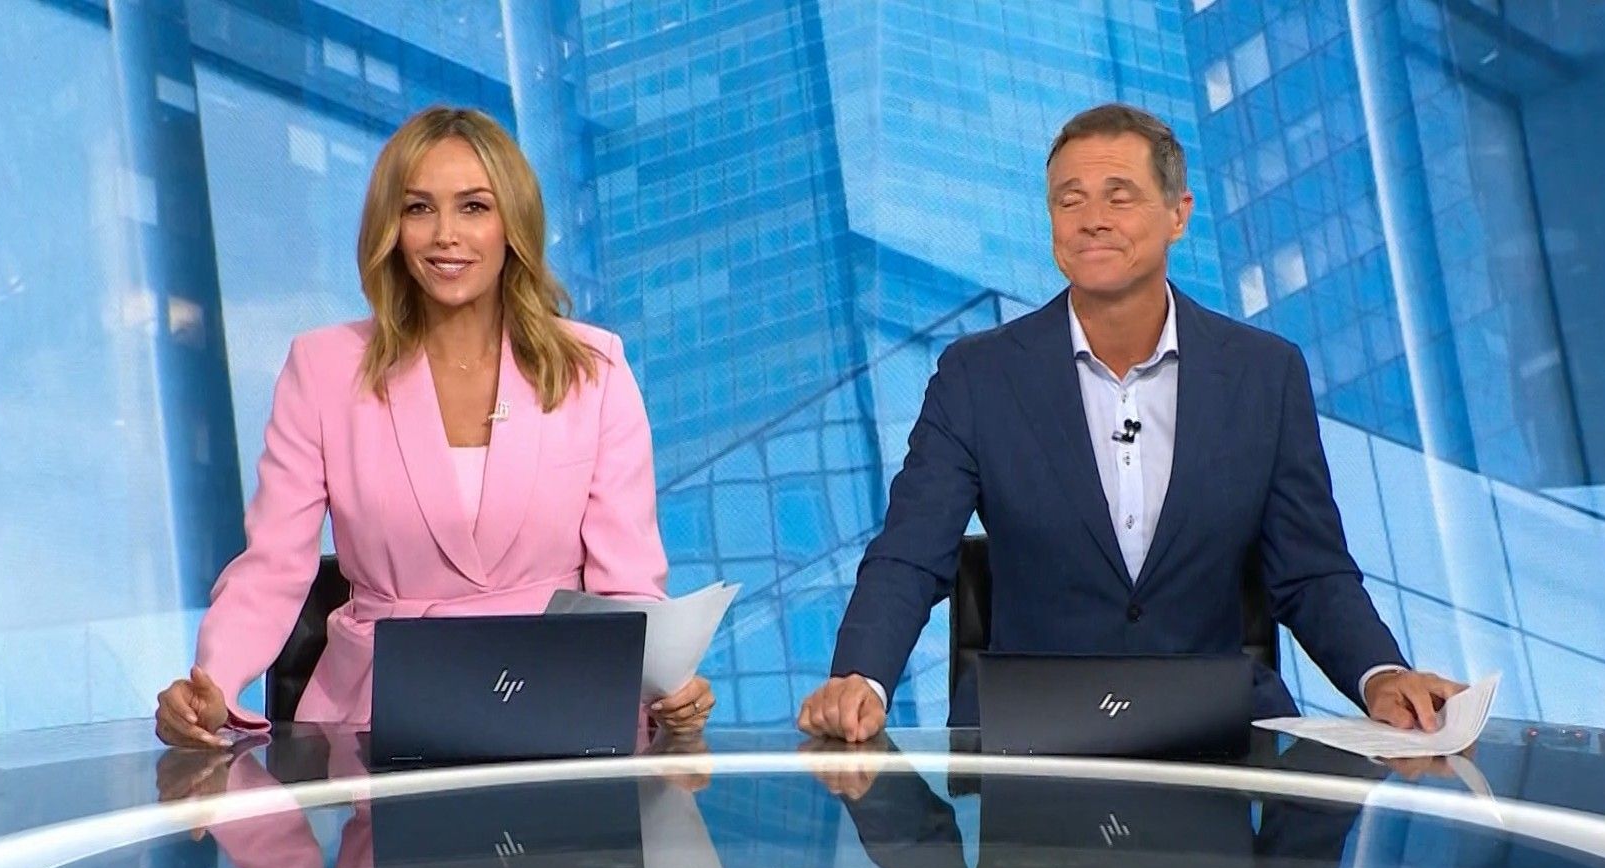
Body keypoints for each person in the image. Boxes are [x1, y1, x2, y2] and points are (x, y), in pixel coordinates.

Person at [798, 103, 1464, 743]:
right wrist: (862, 678)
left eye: (1119, 198)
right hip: (1031, 744)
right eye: (1069, 201)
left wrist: (1382, 675)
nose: (1092, 220)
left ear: (1179, 214)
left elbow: (1312, 573)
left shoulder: (1265, 374)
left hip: (1217, 739)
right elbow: (911, 554)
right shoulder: (978, 376)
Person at [155, 105, 712, 747]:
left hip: (561, 707)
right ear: (391, 228)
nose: (446, 235)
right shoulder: (324, 368)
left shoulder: (594, 367)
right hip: (375, 719)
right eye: (419, 208)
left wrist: (666, 685)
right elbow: (274, 566)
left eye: (473, 207)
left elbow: (628, 583)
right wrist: (214, 684)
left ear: (513, 223)